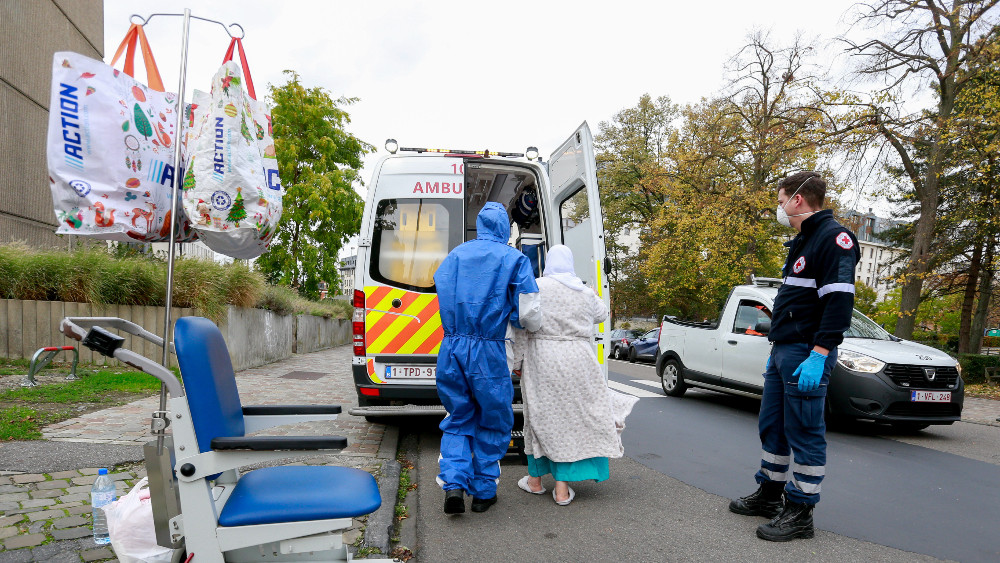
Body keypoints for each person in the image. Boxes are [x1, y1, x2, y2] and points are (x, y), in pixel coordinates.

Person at [728, 171, 860, 541]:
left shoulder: (835, 239)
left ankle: (801, 512)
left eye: (781, 197)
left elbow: (839, 303)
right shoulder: (805, 240)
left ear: (797, 199)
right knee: (774, 427)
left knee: (804, 431)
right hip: (785, 350)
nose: (779, 205)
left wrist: (820, 353)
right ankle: (770, 495)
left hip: (807, 352)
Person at [433, 202, 542, 515]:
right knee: (493, 420)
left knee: (459, 417)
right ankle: (482, 492)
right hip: (490, 351)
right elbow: (530, 314)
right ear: (506, 229)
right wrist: (517, 320)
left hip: (452, 348)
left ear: (479, 226)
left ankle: (454, 482)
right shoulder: (515, 259)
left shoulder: (454, 256)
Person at [512, 245, 638, 506]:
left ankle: (535, 481)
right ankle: (561, 489)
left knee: (541, 416)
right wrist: (591, 292)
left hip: (542, 357)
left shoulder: (536, 286)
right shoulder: (583, 292)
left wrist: (517, 361)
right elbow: (602, 315)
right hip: (579, 359)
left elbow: (523, 327)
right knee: (573, 419)